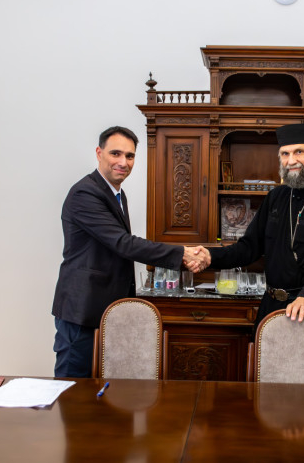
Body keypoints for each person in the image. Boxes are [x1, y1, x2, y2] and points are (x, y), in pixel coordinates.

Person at [51, 126, 209, 378]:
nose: (123, 162)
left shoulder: (117, 194)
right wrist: (181, 254)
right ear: (99, 153)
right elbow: (123, 244)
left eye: (130, 156)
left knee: (102, 391)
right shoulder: (85, 192)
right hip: (82, 311)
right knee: (73, 390)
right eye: (115, 154)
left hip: (106, 308)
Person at [206, 123, 304, 384]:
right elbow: (248, 248)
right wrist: (209, 257)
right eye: (285, 154)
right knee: (267, 385)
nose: (291, 160)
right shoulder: (275, 197)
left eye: (299, 152)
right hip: (271, 307)